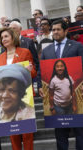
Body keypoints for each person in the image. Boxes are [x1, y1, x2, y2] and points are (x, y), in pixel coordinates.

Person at [38, 19, 83, 150]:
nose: (55, 32)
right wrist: (41, 86)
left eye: (58, 29)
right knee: (60, 133)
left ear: (66, 30)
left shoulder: (77, 46)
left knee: (80, 131)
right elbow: (42, 71)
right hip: (56, 101)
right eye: (53, 30)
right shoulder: (47, 50)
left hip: (76, 96)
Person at [0, 27, 37, 150]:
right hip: (7, 99)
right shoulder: (0, 57)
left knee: (27, 133)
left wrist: (30, 71)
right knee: (13, 133)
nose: (3, 39)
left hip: (24, 96)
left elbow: (34, 72)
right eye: (2, 37)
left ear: (13, 37)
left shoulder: (25, 52)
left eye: (6, 36)